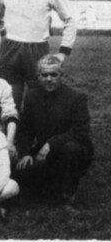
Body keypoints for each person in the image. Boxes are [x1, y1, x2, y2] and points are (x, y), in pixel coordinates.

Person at [0, 0, 77, 111]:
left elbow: (70, 20)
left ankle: (40, 137)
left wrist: (63, 53)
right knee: (9, 102)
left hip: (37, 50)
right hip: (10, 50)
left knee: (40, 102)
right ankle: (11, 137)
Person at [16, 55, 93, 205]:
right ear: (38, 76)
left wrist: (51, 143)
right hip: (42, 151)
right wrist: (25, 153)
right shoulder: (32, 96)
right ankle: (47, 187)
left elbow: (80, 131)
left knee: (70, 150)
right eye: (45, 75)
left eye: (53, 75)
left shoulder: (77, 98)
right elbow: (25, 128)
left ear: (61, 75)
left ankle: (68, 196)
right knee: (21, 174)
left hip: (72, 150)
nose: (49, 79)